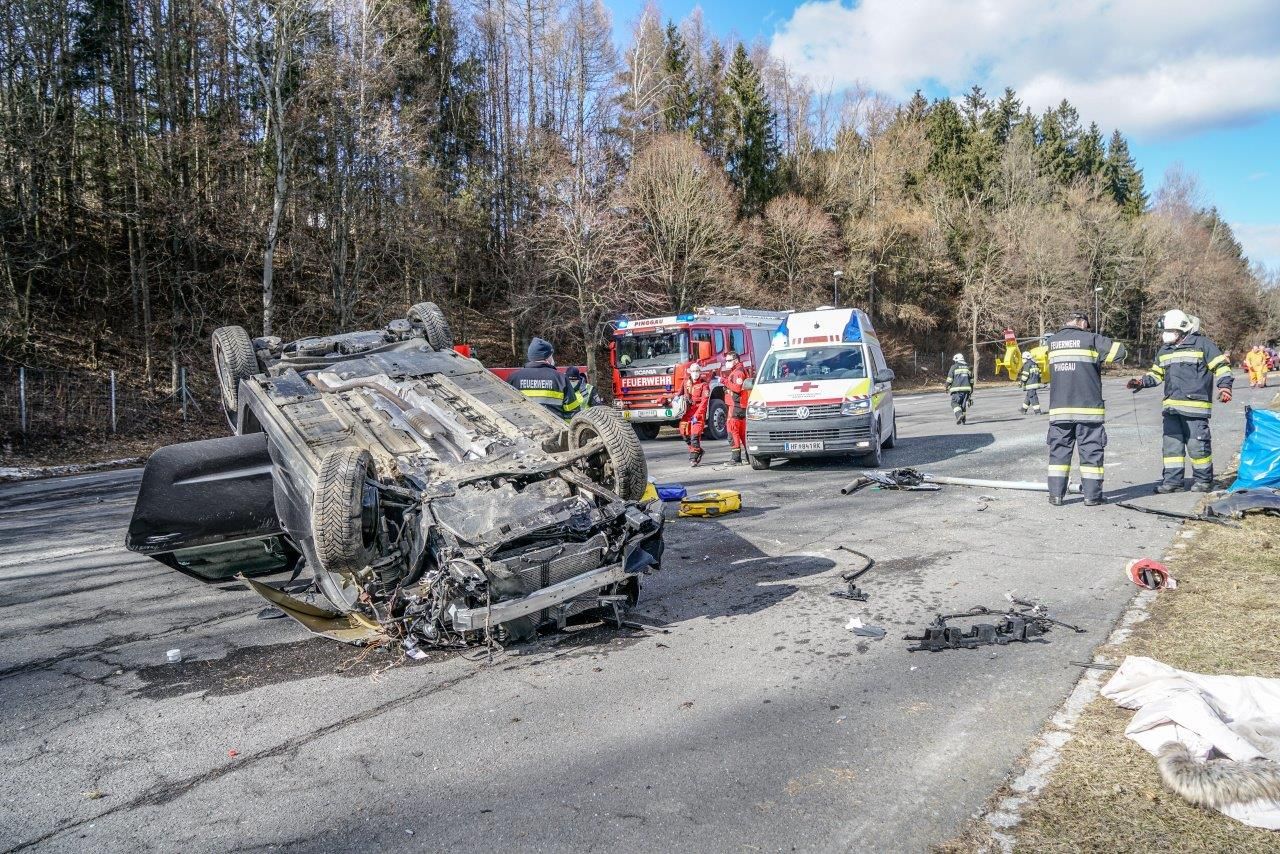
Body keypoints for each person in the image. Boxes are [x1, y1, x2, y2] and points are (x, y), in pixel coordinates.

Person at [1127, 309, 1233, 493]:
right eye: (1165, 331)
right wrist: (1141, 382)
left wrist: (1225, 387)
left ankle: (1204, 481)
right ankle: (1173, 482)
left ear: (1182, 330)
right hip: (1171, 408)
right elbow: (1156, 374)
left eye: (1169, 331)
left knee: (1198, 446)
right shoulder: (1165, 350)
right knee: (1171, 448)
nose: (1165, 334)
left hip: (1196, 408)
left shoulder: (1202, 344)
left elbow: (1222, 367)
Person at [1045, 310, 1127, 506]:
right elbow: (1121, 352)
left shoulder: (1051, 342)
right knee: (1091, 452)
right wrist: (1098, 341)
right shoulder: (1092, 339)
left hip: (1059, 410)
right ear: (1082, 322)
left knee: (1058, 454)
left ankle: (1056, 496)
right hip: (1088, 410)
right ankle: (1092, 496)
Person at [506, 337, 582, 420]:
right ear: (547, 357)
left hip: (522, 426)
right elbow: (573, 412)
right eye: (551, 355)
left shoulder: (513, 378)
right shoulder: (560, 378)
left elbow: (507, 406)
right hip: (554, 426)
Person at [720, 350, 751, 465]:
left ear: (736, 360)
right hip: (741, 405)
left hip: (736, 405)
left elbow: (737, 388)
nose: (726, 363)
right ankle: (749, 456)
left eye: (729, 360)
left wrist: (724, 381)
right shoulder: (739, 370)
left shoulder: (738, 372)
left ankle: (736, 458)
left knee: (732, 431)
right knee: (742, 432)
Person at [679, 362, 711, 466]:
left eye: (697, 371)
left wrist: (697, 415)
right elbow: (678, 395)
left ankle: (694, 457)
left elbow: (704, 402)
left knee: (695, 435)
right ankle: (699, 450)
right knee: (684, 433)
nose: (695, 373)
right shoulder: (685, 382)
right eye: (693, 371)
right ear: (690, 372)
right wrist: (667, 402)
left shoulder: (704, 385)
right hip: (687, 412)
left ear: (700, 372)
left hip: (698, 413)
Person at [945, 354, 974, 425]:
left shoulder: (954, 367)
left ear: (956, 359)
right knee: (963, 405)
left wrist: (946, 386)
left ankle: (959, 415)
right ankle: (963, 419)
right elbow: (971, 380)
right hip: (967, 390)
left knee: (954, 403)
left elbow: (950, 378)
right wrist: (971, 390)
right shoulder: (969, 367)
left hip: (957, 390)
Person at [1017, 351, 1043, 415]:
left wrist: (1021, 382)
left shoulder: (1027, 365)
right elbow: (1040, 374)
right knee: (1029, 396)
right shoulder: (1035, 364)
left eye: (1023, 358)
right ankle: (1023, 409)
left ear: (1025, 358)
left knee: (1033, 397)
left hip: (1030, 384)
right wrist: (1039, 381)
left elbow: (1025, 376)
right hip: (1035, 383)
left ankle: (1037, 411)